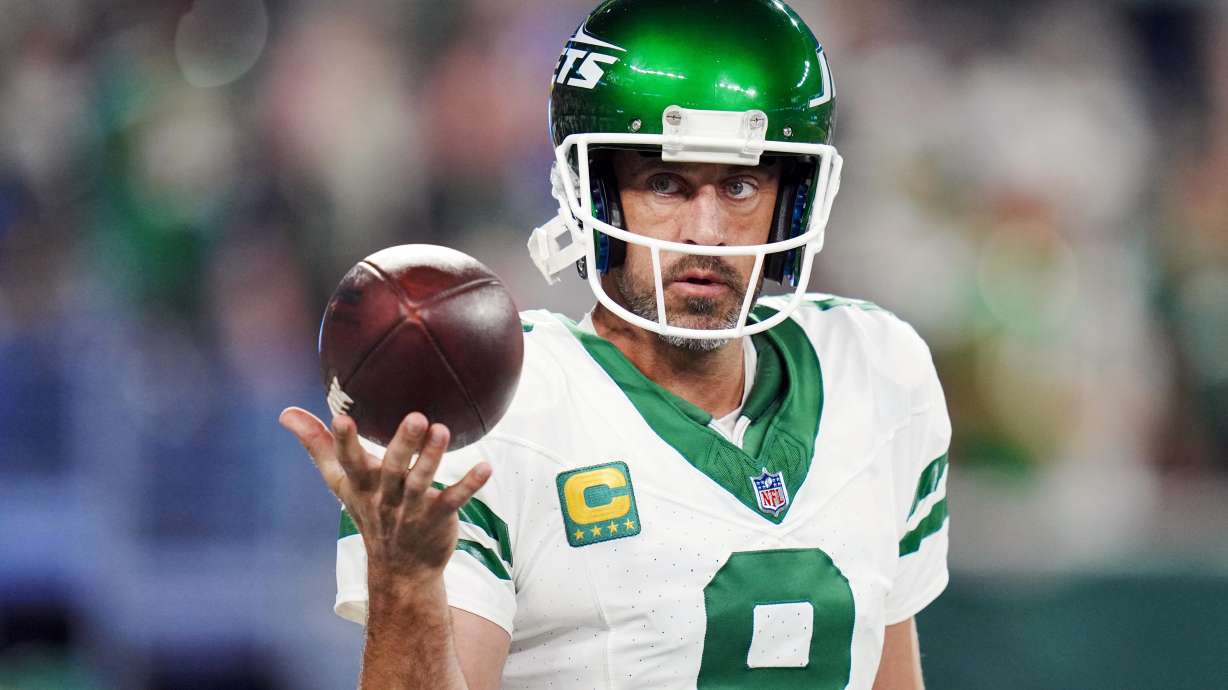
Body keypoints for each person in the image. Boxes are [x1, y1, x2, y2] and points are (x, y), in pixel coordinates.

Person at [280, 1, 951, 688]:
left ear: (793, 199)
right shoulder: (497, 410)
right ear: (593, 195)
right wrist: (406, 583)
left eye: (742, 185)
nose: (707, 232)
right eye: (666, 183)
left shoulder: (876, 369)